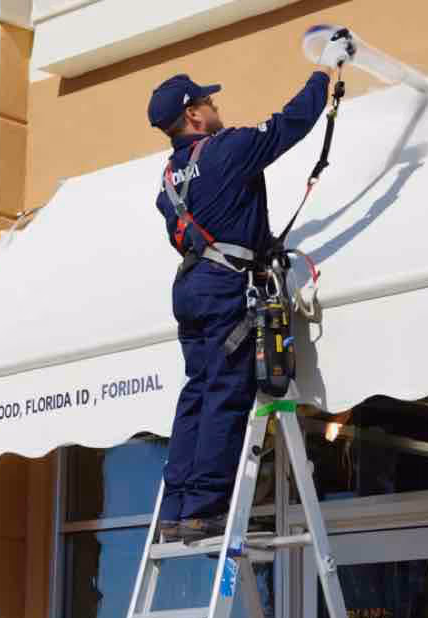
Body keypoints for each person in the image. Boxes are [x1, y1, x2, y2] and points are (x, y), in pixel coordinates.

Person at [148, 31, 355, 542]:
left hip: (191, 286)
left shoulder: (169, 177)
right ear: (193, 116)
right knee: (223, 392)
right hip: (222, 287)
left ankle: (177, 507)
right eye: (207, 100)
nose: (215, 105)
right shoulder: (226, 150)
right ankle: (203, 508)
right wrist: (324, 72)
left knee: (195, 393)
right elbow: (289, 126)